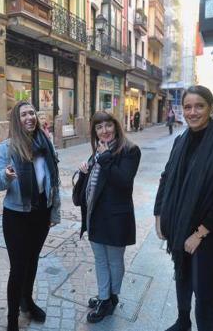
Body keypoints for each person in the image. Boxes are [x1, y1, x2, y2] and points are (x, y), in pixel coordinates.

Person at [154, 85, 213, 331]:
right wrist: (159, 214)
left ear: (211, 108)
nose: (192, 112)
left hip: (207, 233)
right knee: (182, 278)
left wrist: (199, 233)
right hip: (179, 226)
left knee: (205, 292)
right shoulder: (180, 141)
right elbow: (166, 177)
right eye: (187, 107)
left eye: (199, 106)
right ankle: (183, 322)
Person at [0, 101, 61, 331]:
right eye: (23, 114)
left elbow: (54, 181)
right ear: (16, 120)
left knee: (32, 262)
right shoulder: (7, 148)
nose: (29, 117)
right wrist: (7, 176)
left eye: (32, 112)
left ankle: (27, 302)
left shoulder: (45, 144)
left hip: (40, 213)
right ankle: (12, 318)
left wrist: (54, 211)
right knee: (18, 267)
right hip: (17, 216)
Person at [77, 111, 141, 323]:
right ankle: (104, 296)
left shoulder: (130, 151)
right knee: (100, 260)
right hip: (95, 217)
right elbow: (90, 188)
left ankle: (111, 298)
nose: (104, 131)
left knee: (114, 261)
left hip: (115, 219)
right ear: (94, 131)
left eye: (108, 125)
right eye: (99, 127)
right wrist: (85, 172)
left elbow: (123, 182)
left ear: (115, 125)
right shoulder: (97, 151)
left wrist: (104, 159)